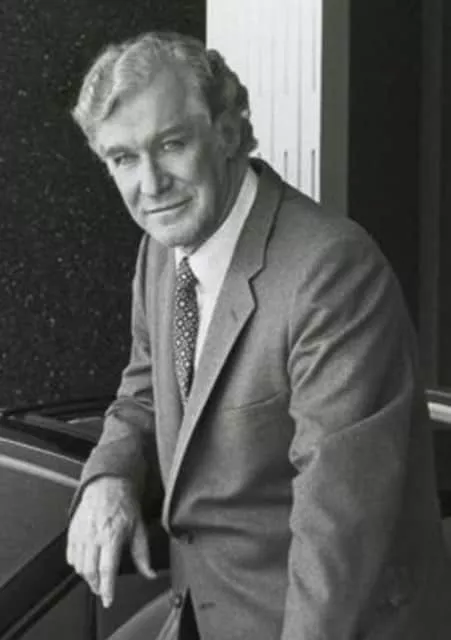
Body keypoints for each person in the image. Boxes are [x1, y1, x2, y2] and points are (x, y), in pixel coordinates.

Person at [66, 31, 451, 640]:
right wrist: (110, 475)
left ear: (226, 132)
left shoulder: (330, 271)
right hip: (202, 604)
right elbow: (146, 390)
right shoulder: (163, 248)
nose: (151, 184)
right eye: (123, 159)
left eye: (171, 144)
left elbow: (337, 536)